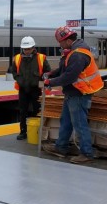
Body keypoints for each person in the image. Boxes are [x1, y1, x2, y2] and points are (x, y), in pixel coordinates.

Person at [42, 26, 103, 164]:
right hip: (72, 93)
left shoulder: (78, 55)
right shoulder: (72, 52)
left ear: (68, 41)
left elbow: (70, 76)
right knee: (66, 121)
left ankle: (87, 153)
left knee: (80, 124)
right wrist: (53, 73)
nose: (60, 45)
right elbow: (65, 69)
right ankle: (61, 147)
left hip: (80, 93)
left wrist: (50, 82)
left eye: (61, 42)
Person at [12, 36, 51, 140]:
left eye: (28, 49)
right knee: (22, 111)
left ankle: (37, 131)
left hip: (36, 89)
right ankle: (23, 131)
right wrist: (19, 80)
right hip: (23, 89)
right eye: (25, 49)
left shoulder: (41, 58)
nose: (27, 51)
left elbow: (48, 71)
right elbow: (14, 71)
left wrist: (42, 79)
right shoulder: (17, 58)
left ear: (33, 48)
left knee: (37, 110)